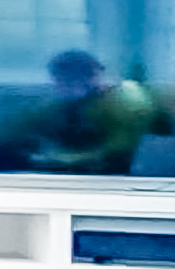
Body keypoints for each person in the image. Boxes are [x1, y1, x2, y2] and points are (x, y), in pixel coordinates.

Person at [23, 49, 164, 175]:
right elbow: (38, 118)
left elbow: (120, 150)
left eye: (62, 81)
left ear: (88, 77)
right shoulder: (91, 96)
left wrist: (65, 158)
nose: (58, 87)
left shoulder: (125, 101)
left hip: (121, 172)